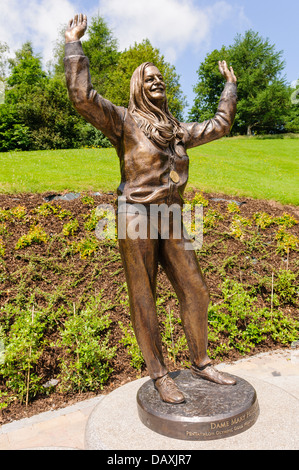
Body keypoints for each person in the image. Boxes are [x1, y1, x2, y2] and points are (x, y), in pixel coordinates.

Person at [64, 14, 238, 404]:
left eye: (161, 78)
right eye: (149, 78)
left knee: (195, 288)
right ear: (137, 87)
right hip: (134, 215)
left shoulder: (176, 130)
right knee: (144, 295)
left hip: (172, 215)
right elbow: (82, 97)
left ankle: (201, 362)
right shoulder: (123, 121)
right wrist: (73, 45)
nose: (157, 81)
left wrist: (229, 88)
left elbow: (220, 125)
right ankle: (159, 373)